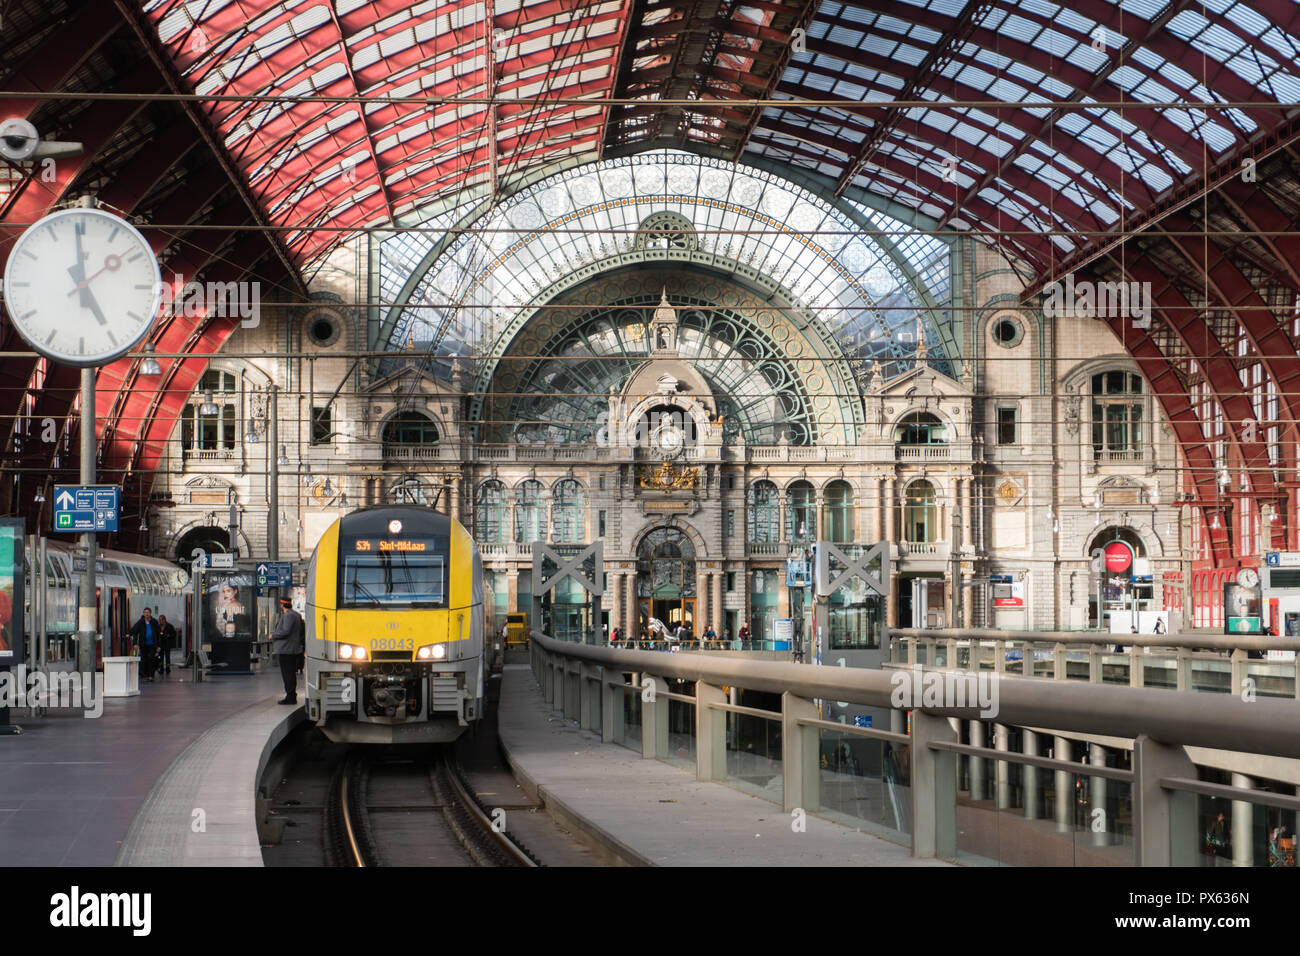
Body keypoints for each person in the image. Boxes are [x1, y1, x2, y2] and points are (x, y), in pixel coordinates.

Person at [272, 597, 305, 705]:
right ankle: (291, 696)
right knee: (289, 673)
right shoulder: (296, 615)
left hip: (286, 649)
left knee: (288, 674)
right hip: (290, 649)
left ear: (282, 605)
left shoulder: (289, 615)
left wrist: (273, 635)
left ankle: (290, 697)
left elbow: (285, 631)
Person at [130, 607, 160, 682]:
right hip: (143, 644)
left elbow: (158, 634)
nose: (146, 614)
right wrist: (135, 644)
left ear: (150, 613)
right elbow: (134, 632)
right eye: (145, 612)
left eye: (148, 612)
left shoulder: (154, 622)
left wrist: (158, 646)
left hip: (153, 644)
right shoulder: (140, 622)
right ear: (143, 614)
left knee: (151, 658)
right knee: (144, 659)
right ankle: (145, 674)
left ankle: (151, 675)